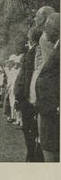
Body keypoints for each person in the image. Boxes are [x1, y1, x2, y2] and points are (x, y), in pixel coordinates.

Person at [14, 27, 43, 161]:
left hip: (28, 98)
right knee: (32, 132)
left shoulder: (32, 54)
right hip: (29, 97)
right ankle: (32, 155)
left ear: (31, 39)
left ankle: (33, 156)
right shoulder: (33, 53)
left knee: (30, 132)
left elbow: (25, 78)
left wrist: (19, 96)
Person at [35, 13, 60, 162]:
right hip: (49, 109)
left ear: (56, 29)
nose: (44, 33)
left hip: (53, 110)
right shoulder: (56, 47)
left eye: (47, 28)